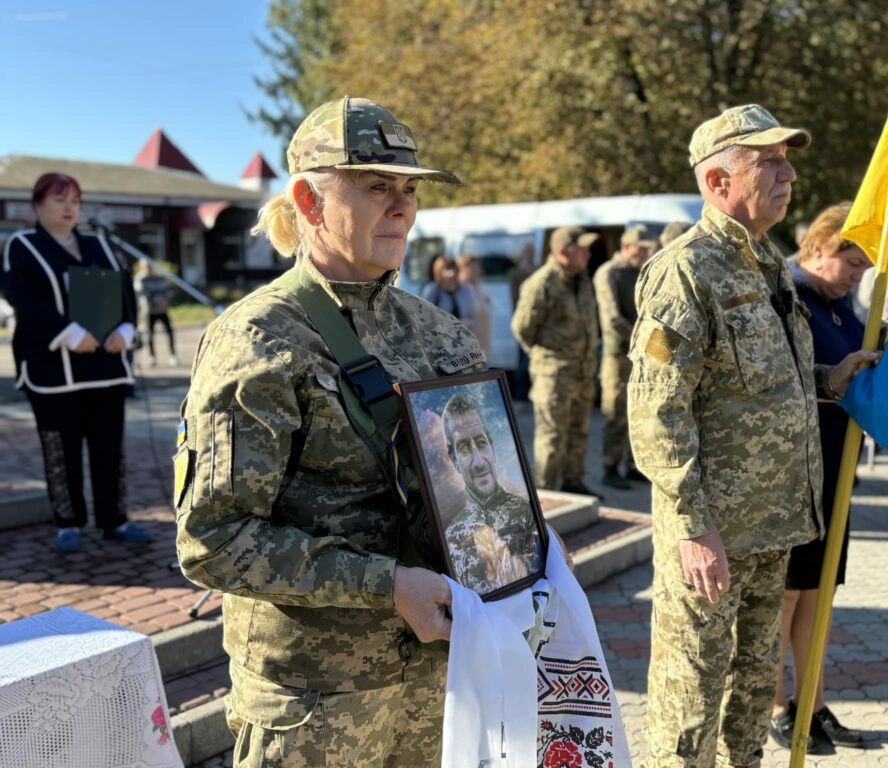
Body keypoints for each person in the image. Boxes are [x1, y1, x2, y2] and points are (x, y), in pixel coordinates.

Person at [174, 96, 484, 766]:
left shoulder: (440, 333)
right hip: (317, 702)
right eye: (375, 186)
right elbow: (213, 540)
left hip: (436, 682)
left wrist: (529, 547)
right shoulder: (259, 340)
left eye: (409, 188)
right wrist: (386, 585)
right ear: (308, 203)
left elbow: (482, 485)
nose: (402, 206)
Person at [628, 104, 877, 768]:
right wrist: (693, 527)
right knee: (691, 708)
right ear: (717, 182)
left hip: (773, 530)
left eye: (787, 160)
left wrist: (831, 377)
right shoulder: (686, 270)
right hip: (713, 540)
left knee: (748, 703)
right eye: (769, 161)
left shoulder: (766, 265)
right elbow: (658, 412)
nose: (788, 173)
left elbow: (757, 379)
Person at [1, 172, 149, 554]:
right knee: (60, 450)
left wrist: (128, 329)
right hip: (54, 371)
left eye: (75, 201)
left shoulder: (99, 244)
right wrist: (68, 333)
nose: (69, 208)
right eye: (59, 200)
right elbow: (24, 299)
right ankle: (68, 523)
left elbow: (123, 291)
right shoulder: (22, 246)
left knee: (108, 448)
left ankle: (114, 519)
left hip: (105, 368)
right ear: (37, 205)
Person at [770, 202, 870, 752]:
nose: (858, 274)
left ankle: (814, 703)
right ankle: (778, 706)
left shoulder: (842, 307)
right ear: (815, 249)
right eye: (850, 261)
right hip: (794, 475)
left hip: (836, 473)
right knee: (786, 597)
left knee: (818, 596)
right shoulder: (788, 298)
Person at [511, 225, 600, 496]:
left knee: (578, 431)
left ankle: (573, 484)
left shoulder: (582, 281)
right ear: (563, 252)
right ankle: (548, 493)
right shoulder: (541, 283)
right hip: (555, 374)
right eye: (581, 248)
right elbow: (523, 327)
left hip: (582, 372)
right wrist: (544, 356)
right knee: (552, 437)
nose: (587, 254)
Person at [440, 394, 542, 593]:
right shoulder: (452, 538)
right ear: (453, 460)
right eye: (464, 448)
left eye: (481, 443)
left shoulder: (526, 512)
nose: (478, 462)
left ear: (492, 446)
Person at [593, 224, 654, 490]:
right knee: (616, 413)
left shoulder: (641, 271)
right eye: (638, 250)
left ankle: (632, 465)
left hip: (642, 355)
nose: (643, 254)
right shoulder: (609, 272)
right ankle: (609, 467)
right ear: (625, 246)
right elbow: (612, 316)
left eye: (646, 250)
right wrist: (641, 339)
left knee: (639, 414)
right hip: (618, 354)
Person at [134, 261, 179, 367]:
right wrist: (159, 300)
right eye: (146, 267)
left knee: (169, 331)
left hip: (163, 310)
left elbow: (168, 290)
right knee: (150, 334)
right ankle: (152, 357)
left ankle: (173, 355)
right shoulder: (141, 279)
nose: (149, 269)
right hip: (150, 310)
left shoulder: (160, 278)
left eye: (150, 267)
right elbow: (143, 292)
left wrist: (166, 299)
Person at [508, 242, 536, 400]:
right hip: (523, 321)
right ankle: (520, 395)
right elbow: (516, 298)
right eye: (529, 252)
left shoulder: (534, 269)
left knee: (528, 361)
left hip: (534, 323)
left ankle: (526, 393)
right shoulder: (517, 272)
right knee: (522, 362)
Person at [456, 253, 493, 359]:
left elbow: (486, 308)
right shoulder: (460, 289)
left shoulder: (482, 286)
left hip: (483, 344)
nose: (476, 270)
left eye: (476, 266)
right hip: (465, 346)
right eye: (471, 266)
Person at [422, 254, 475, 326]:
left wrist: (465, 322)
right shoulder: (432, 290)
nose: (451, 274)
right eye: (447, 270)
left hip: (460, 333)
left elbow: (472, 318)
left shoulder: (465, 291)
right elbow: (423, 315)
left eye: (453, 270)